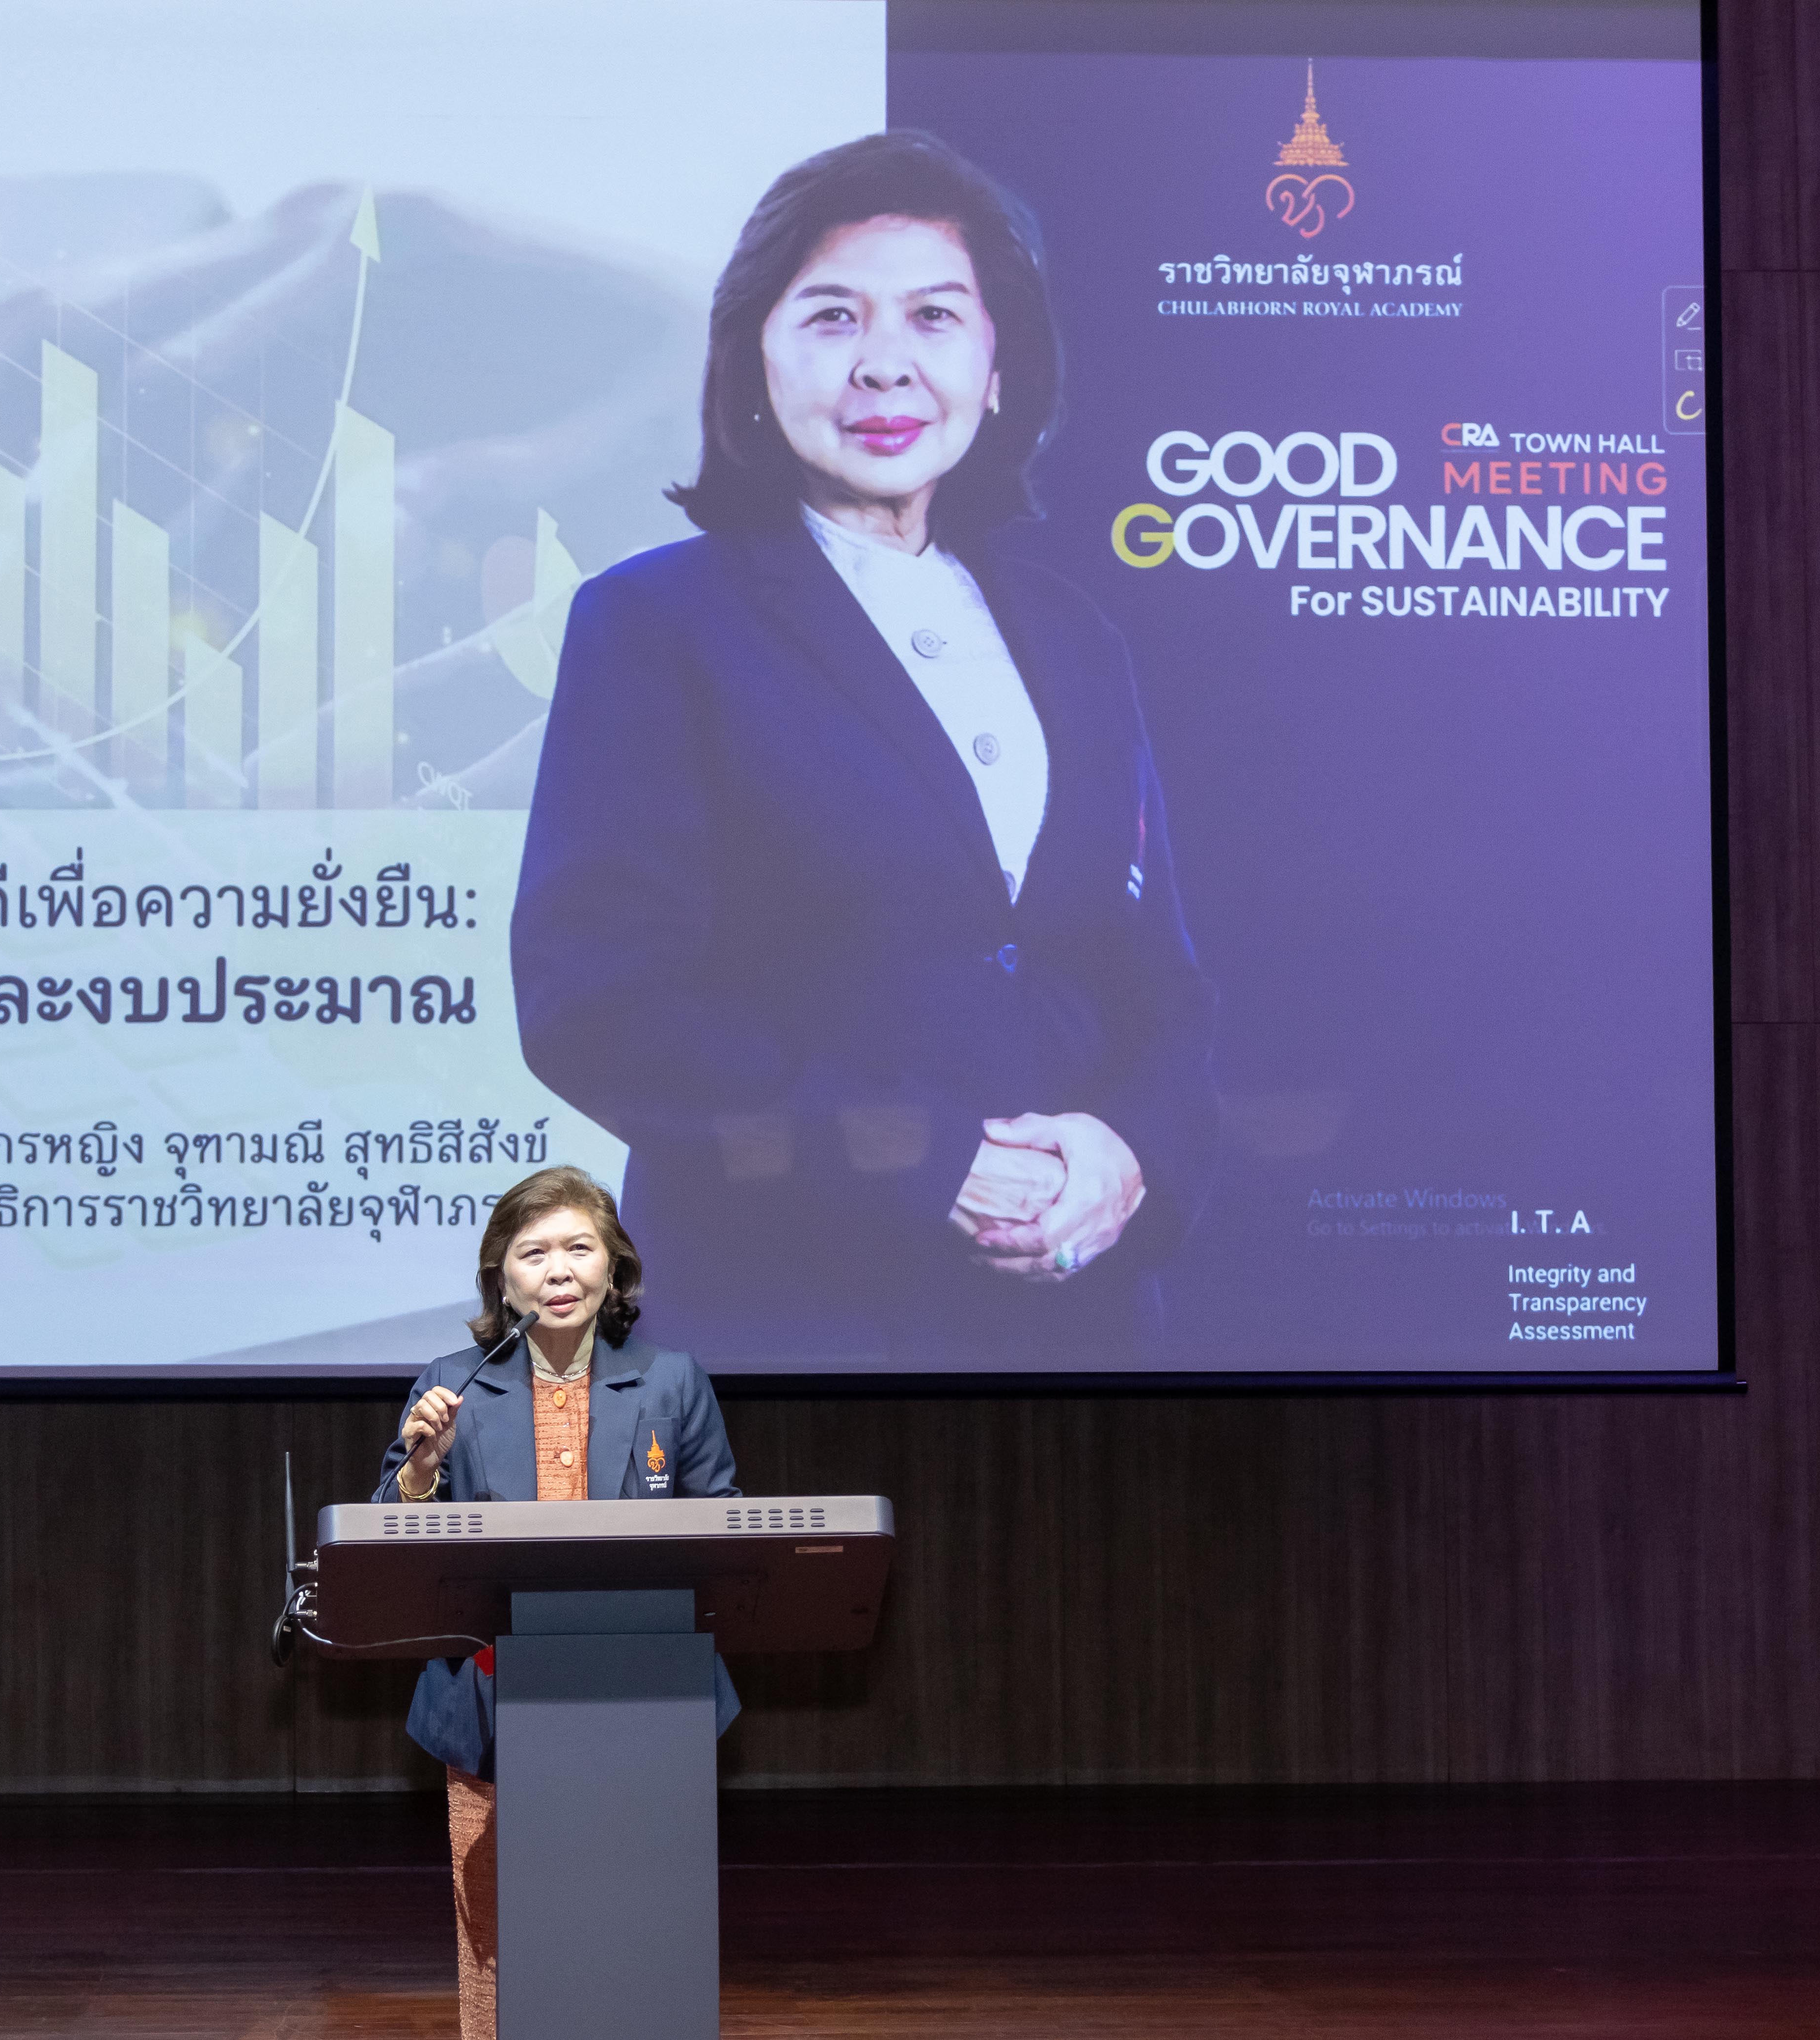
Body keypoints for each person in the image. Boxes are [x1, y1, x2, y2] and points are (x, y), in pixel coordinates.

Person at [512, 130, 1219, 1369]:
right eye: (832, 317)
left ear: (997, 369)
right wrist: (924, 1162)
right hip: (784, 1332)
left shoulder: (1076, 638)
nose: (883, 362)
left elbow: (1155, 988)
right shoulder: (653, 623)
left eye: (934, 317)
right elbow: (599, 1001)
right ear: (753, 362)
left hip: (1079, 1340)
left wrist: (1128, 1159)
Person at [374, 1164, 743, 2040]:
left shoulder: (672, 1380)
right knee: (499, 1932)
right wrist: (423, 1468)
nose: (559, 1270)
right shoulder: (453, 1384)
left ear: (614, 1269)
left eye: (579, 1248)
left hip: (647, 1690)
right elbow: (390, 1540)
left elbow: (725, 1531)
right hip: (493, 1698)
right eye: (533, 1253)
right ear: (501, 1280)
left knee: (639, 1920)